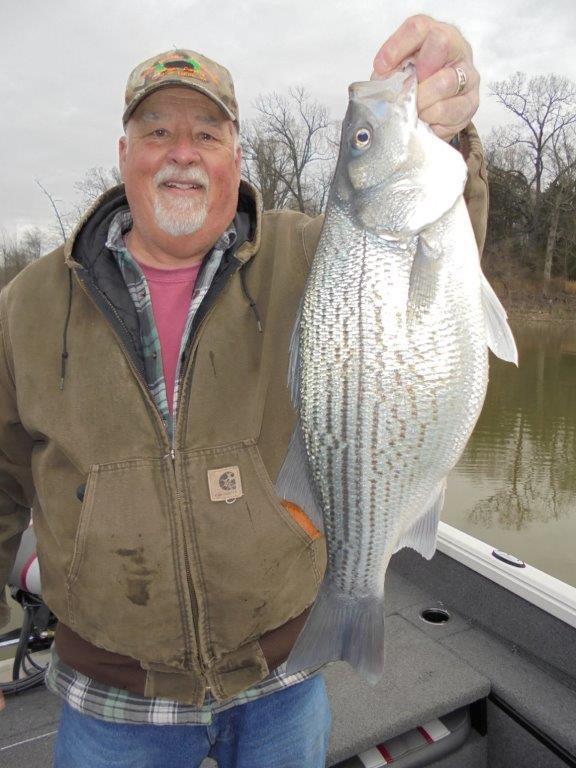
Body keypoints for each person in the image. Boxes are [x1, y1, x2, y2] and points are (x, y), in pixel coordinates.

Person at [0, 15, 487, 768]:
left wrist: (447, 132)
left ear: (237, 154)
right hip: (111, 698)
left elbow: (431, 277)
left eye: (208, 133)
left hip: (282, 678)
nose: (182, 154)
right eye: (158, 131)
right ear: (123, 153)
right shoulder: (26, 306)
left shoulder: (312, 252)